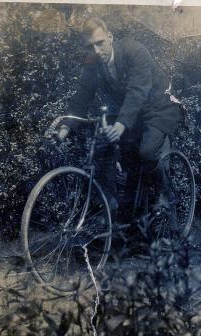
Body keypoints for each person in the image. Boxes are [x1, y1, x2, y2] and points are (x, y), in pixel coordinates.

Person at [46, 17, 181, 216]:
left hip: (158, 108)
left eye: (100, 43)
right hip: (129, 111)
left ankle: (165, 193)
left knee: (147, 152)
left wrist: (119, 126)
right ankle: (111, 208)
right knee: (103, 146)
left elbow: (137, 92)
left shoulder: (134, 51)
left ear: (110, 37)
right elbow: (81, 99)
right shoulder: (92, 64)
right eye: (90, 46)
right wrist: (64, 130)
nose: (96, 51)